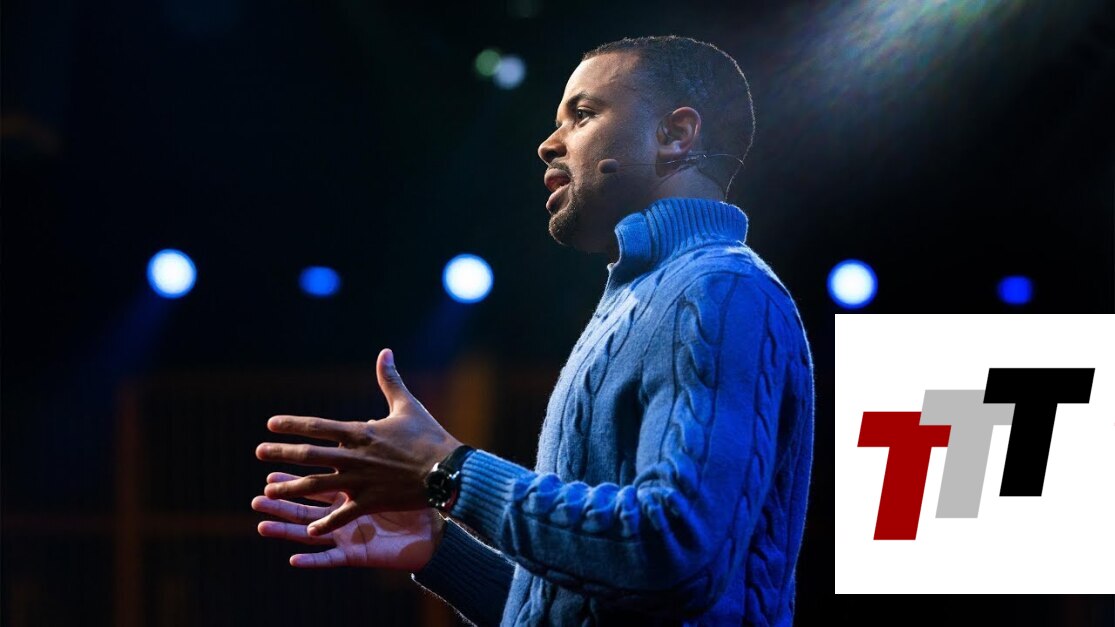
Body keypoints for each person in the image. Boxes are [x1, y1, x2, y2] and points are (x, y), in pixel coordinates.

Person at [253, 35, 814, 626]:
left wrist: (449, 472)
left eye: (583, 114)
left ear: (675, 135)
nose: (549, 144)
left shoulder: (722, 291)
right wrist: (441, 550)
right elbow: (583, 610)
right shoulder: (642, 300)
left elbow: (674, 555)